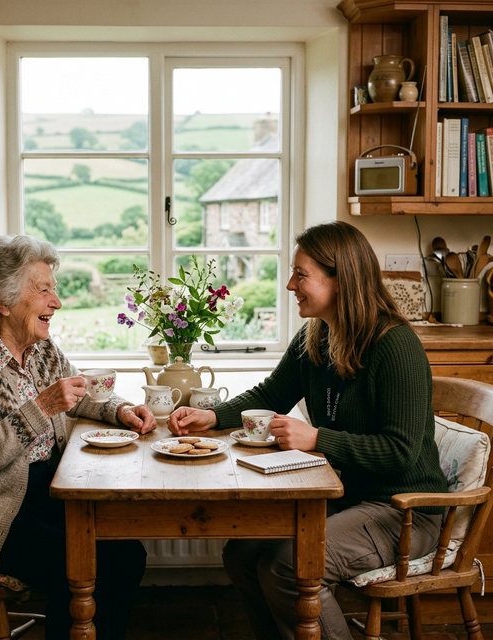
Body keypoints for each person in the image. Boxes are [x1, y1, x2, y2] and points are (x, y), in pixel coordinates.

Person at [168, 220, 447, 640]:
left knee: (290, 564)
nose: (289, 285)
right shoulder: (316, 335)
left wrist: (317, 439)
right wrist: (213, 416)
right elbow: (271, 392)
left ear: (342, 279)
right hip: (342, 498)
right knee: (241, 554)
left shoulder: (395, 346)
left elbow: (401, 452)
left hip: (403, 511)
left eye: (301, 274)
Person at [0, 234, 157, 640]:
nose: (56, 303)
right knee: (79, 566)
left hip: (36, 489)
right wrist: (40, 407)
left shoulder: (38, 347)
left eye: (53, 290)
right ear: (3, 302)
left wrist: (121, 409)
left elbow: (78, 392)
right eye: (43, 291)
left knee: (127, 556)